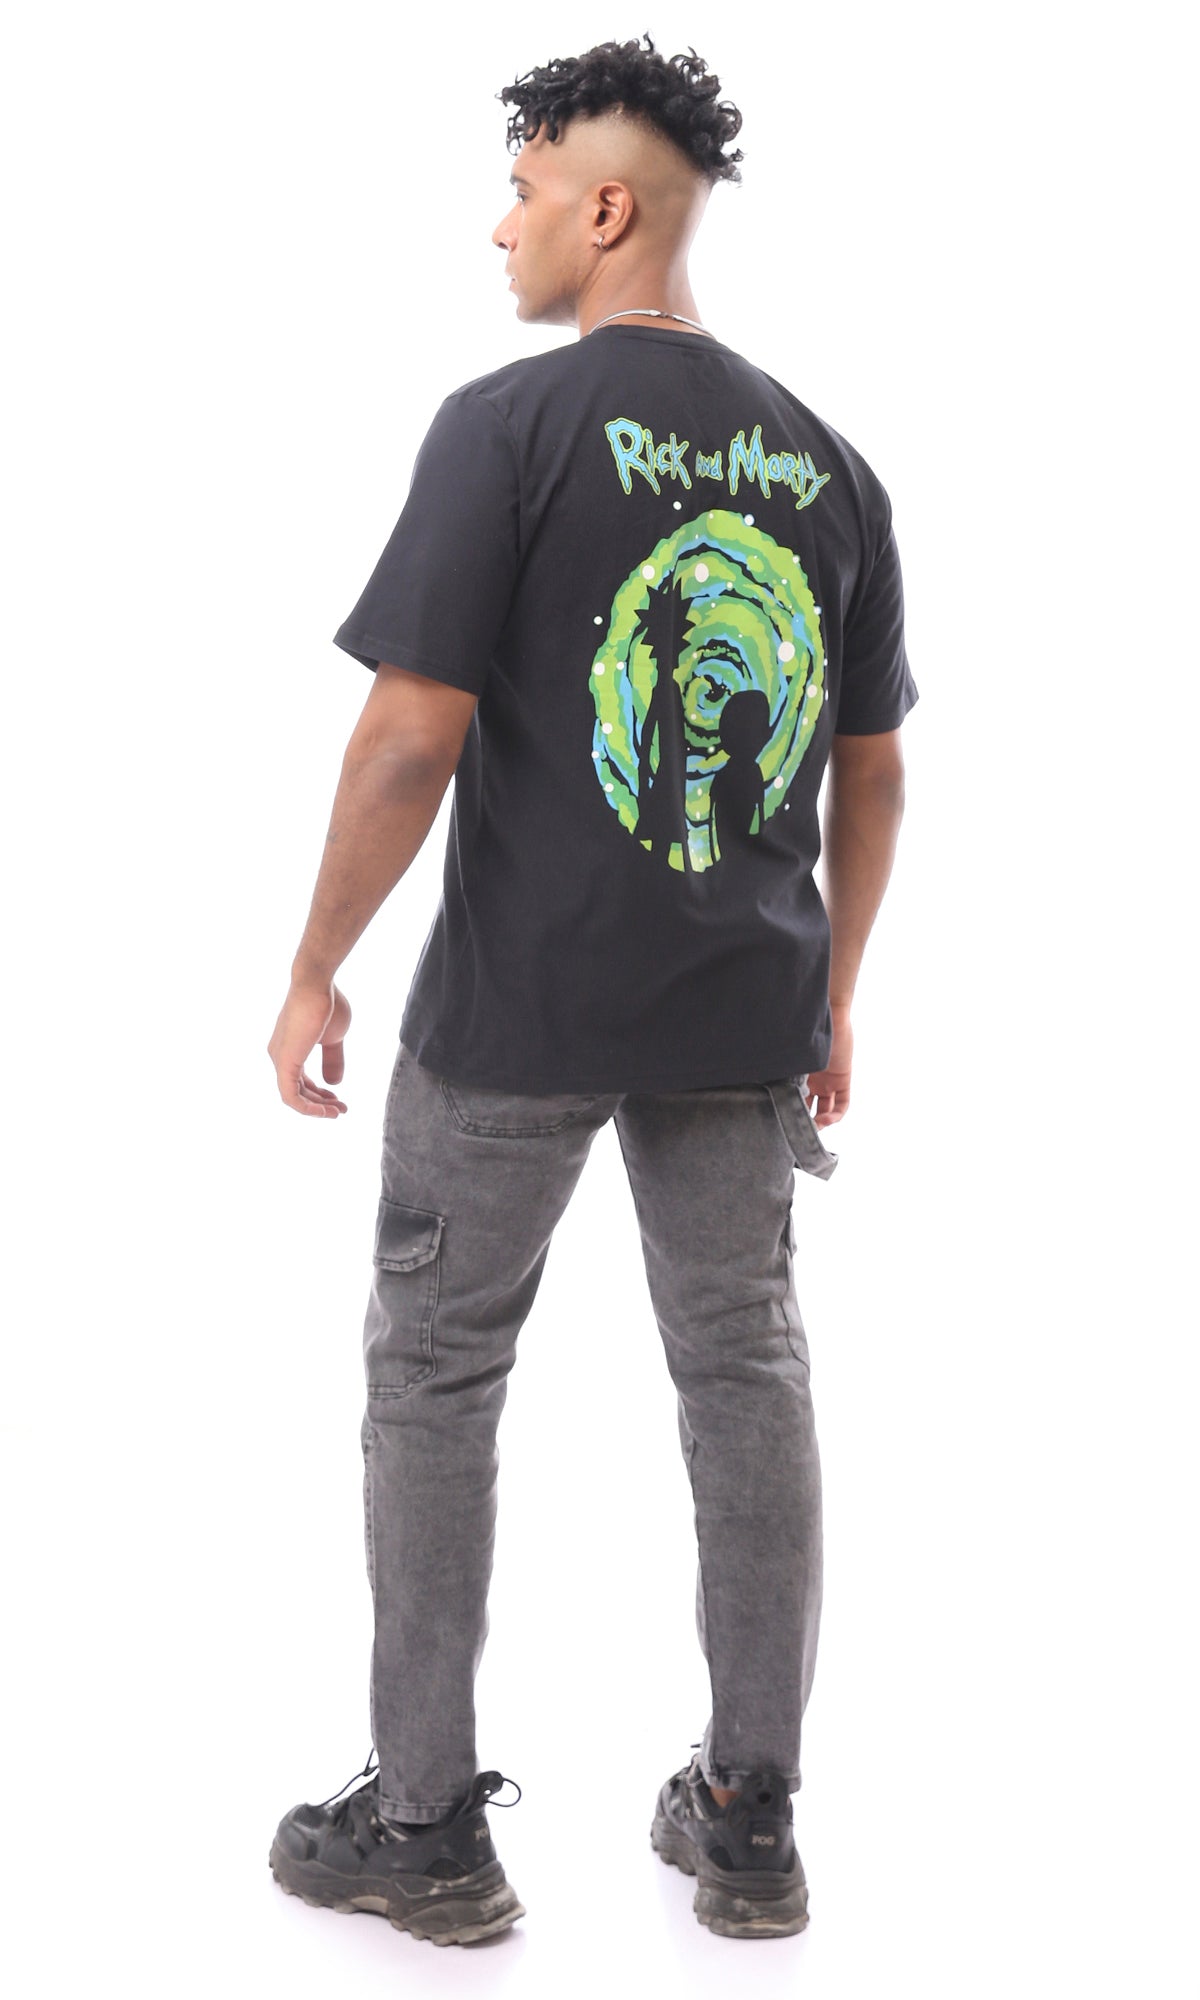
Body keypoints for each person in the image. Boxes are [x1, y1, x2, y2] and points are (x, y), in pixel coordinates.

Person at [265, 32, 917, 1947]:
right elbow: (873, 772)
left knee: (435, 1377)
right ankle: (751, 1814)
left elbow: (410, 736)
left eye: (526, 192)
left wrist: (313, 961)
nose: (504, 227)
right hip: (742, 1015)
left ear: (606, 206)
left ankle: (425, 1825)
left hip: (517, 1015)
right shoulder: (828, 462)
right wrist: (837, 990)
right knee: (746, 1374)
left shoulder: (508, 427)